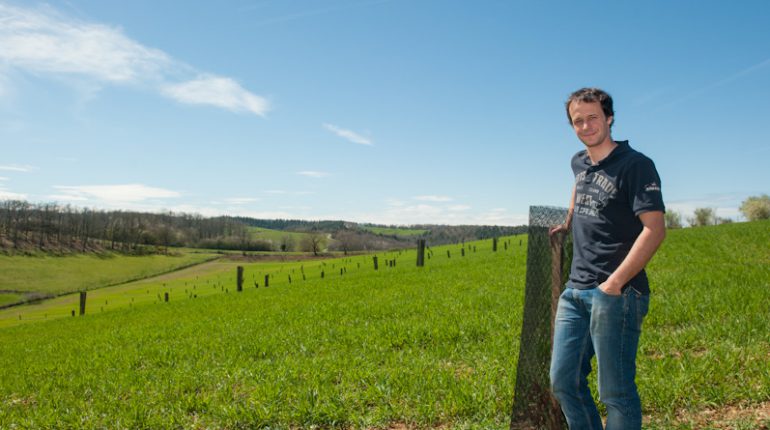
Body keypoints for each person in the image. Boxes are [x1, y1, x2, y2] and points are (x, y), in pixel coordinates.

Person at [548, 87, 666, 429]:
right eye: (577, 121)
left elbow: (655, 230)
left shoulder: (636, 166)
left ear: (610, 118)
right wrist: (569, 219)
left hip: (619, 293)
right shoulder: (579, 161)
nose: (585, 126)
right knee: (564, 381)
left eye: (592, 118)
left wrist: (613, 284)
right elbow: (579, 182)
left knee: (616, 392)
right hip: (574, 292)